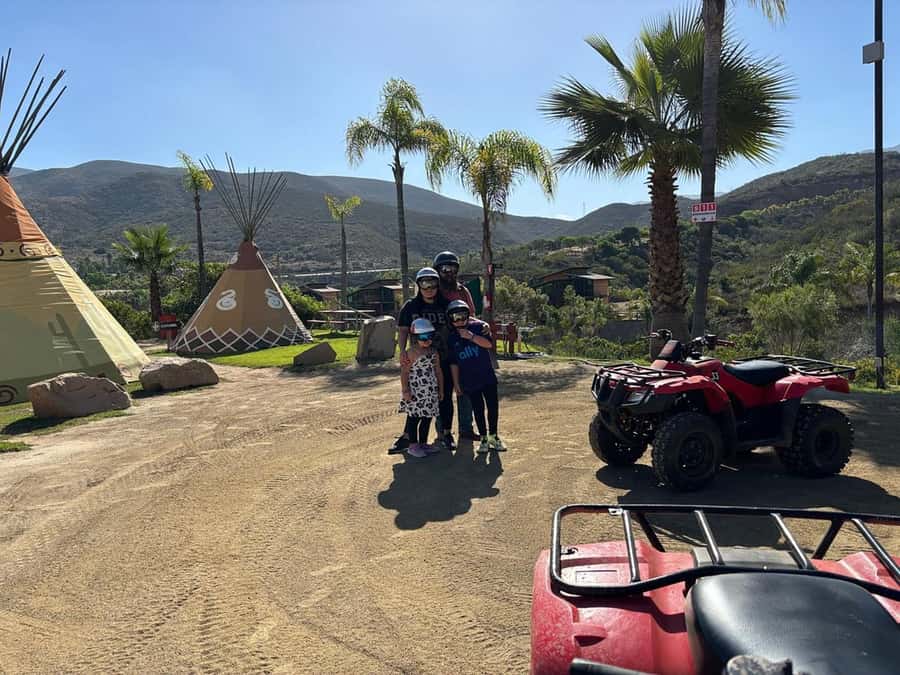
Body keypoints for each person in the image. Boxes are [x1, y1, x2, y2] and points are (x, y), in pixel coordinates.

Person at [389, 267, 451, 454]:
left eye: (433, 283)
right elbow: (402, 330)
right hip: (417, 360)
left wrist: (482, 324)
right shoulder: (410, 307)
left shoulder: (445, 304)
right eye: (425, 283)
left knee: (442, 397)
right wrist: (402, 352)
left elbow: (462, 319)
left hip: (442, 356)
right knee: (415, 401)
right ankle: (409, 437)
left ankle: (445, 434)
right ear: (418, 285)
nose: (429, 288)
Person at [446, 299, 506, 454]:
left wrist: (471, 336)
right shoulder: (452, 338)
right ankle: (484, 438)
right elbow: (453, 363)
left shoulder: (478, 327)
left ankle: (494, 435)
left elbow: (489, 345)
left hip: (487, 376)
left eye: (463, 316)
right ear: (450, 320)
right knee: (478, 409)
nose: (459, 320)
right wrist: (456, 384)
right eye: (455, 317)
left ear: (468, 315)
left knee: (492, 407)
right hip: (469, 380)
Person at [433, 251, 478, 442]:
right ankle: (443, 431)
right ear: (438, 271)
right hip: (440, 347)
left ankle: (466, 428)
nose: (449, 272)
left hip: (462, 346)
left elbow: (472, 315)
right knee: (443, 391)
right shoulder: (432, 292)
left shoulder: (463, 291)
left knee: (465, 388)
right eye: (445, 268)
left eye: (452, 268)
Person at [399, 318, 443, 458]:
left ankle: (423, 443)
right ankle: (413, 445)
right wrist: (405, 390)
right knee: (414, 418)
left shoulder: (434, 352)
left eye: (430, 337)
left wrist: (440, 389)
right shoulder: (410, 353)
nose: (427, 341)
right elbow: (405, 372)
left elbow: (438, 371)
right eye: (423, 337)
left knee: (427, 418)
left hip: (429, 392)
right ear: (415, 338)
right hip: (416, 392)